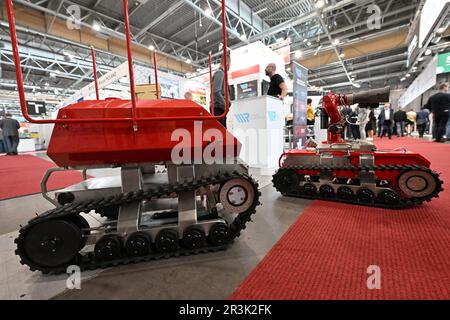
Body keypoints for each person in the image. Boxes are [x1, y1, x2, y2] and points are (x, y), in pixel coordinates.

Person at [212, 53, 231, 128]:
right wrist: (225, 104)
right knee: (220, 133)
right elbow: (216, 91)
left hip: (220, 107)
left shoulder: (220, 73)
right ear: (227, 64)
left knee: (220, 132)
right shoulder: (220, 73)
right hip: (218, 107)